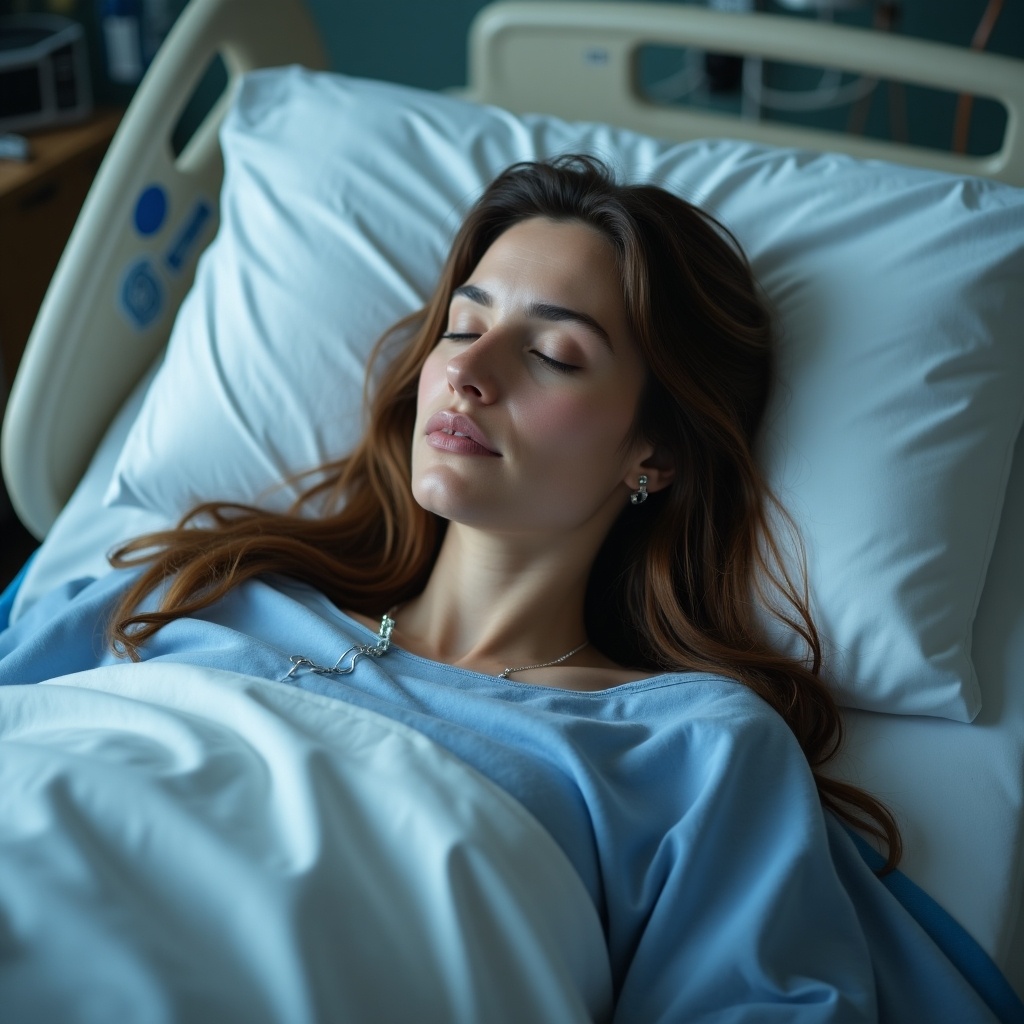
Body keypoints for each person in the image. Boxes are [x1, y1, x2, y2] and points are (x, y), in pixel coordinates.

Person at [0, 156, 1005, 1022]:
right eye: (460, 325)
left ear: (652, 453)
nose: (468, 371)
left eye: (553, 352)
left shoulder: (686, 749)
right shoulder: (210, 587)